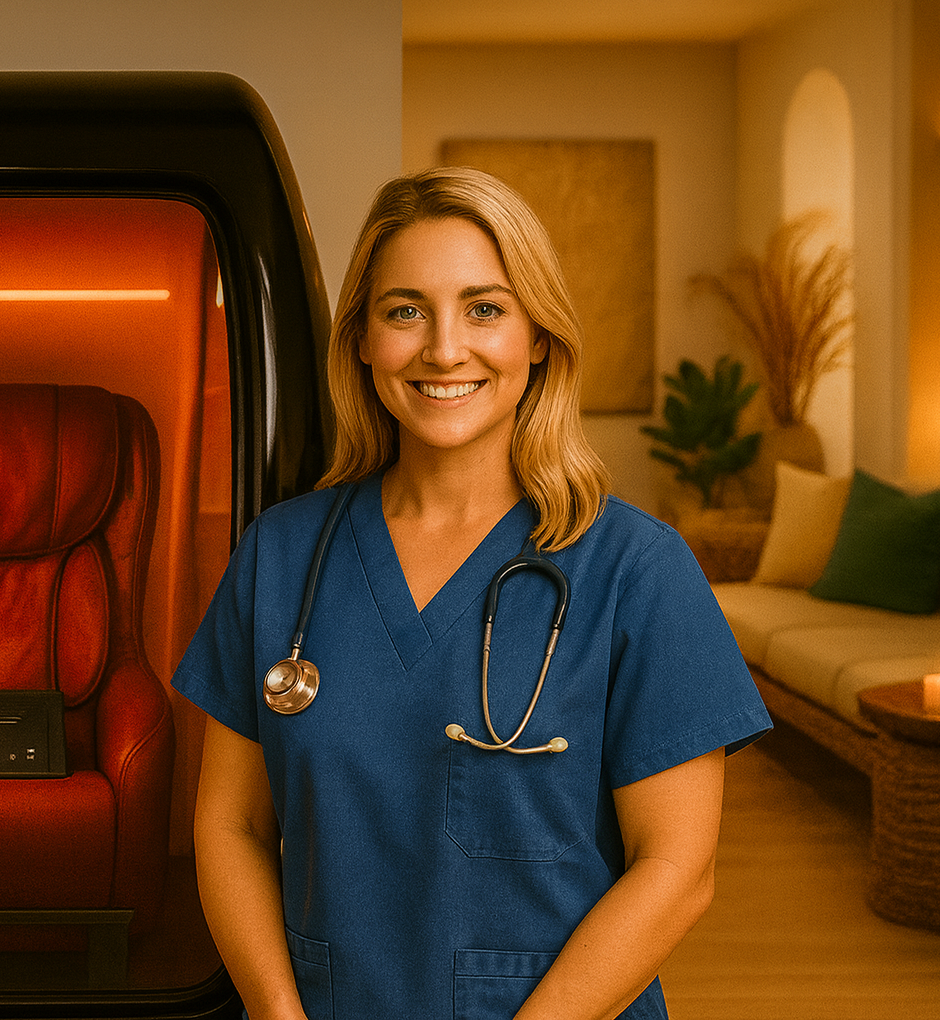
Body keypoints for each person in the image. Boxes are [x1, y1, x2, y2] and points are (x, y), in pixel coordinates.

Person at [172, 166, 772, 1020]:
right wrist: (278, 1014)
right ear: (364, 341)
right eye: (405, 310)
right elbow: (228, 827)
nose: (444, 348)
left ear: (537, 337)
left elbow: (677, 872)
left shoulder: (637, 570)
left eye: (484, 308)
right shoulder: (281, 555)